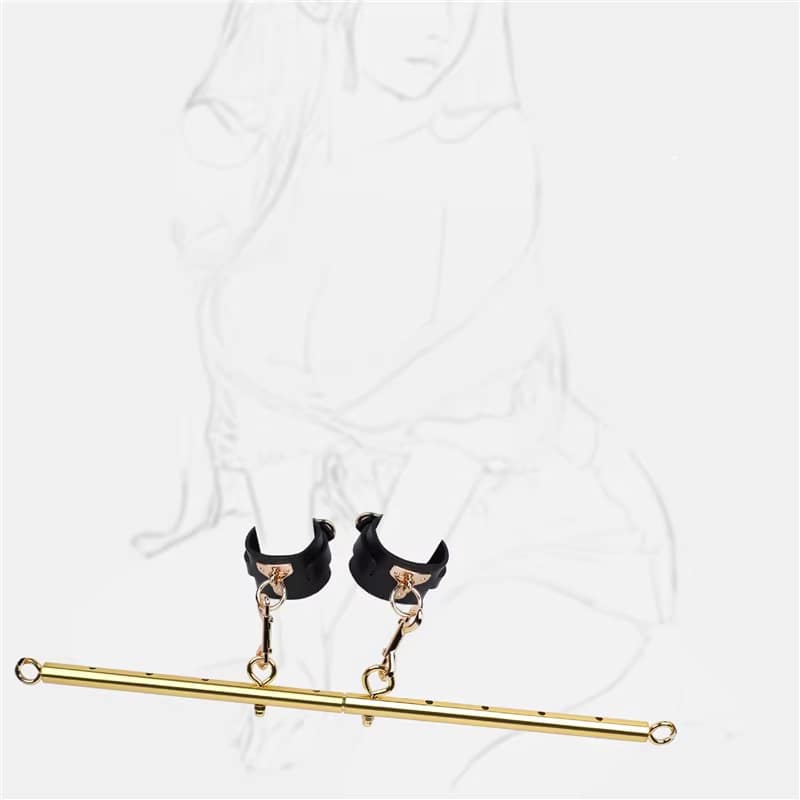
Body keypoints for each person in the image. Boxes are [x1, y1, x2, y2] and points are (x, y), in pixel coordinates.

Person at [132, 0, 675, 780]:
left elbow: (478, 413)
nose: (438, 28)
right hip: (366, 543)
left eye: (461, 7)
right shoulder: (286, 160)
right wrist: (287, 624)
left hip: (529, 535)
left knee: (386, 760)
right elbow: (263, 410)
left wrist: (357, 656)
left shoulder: (489, 156)